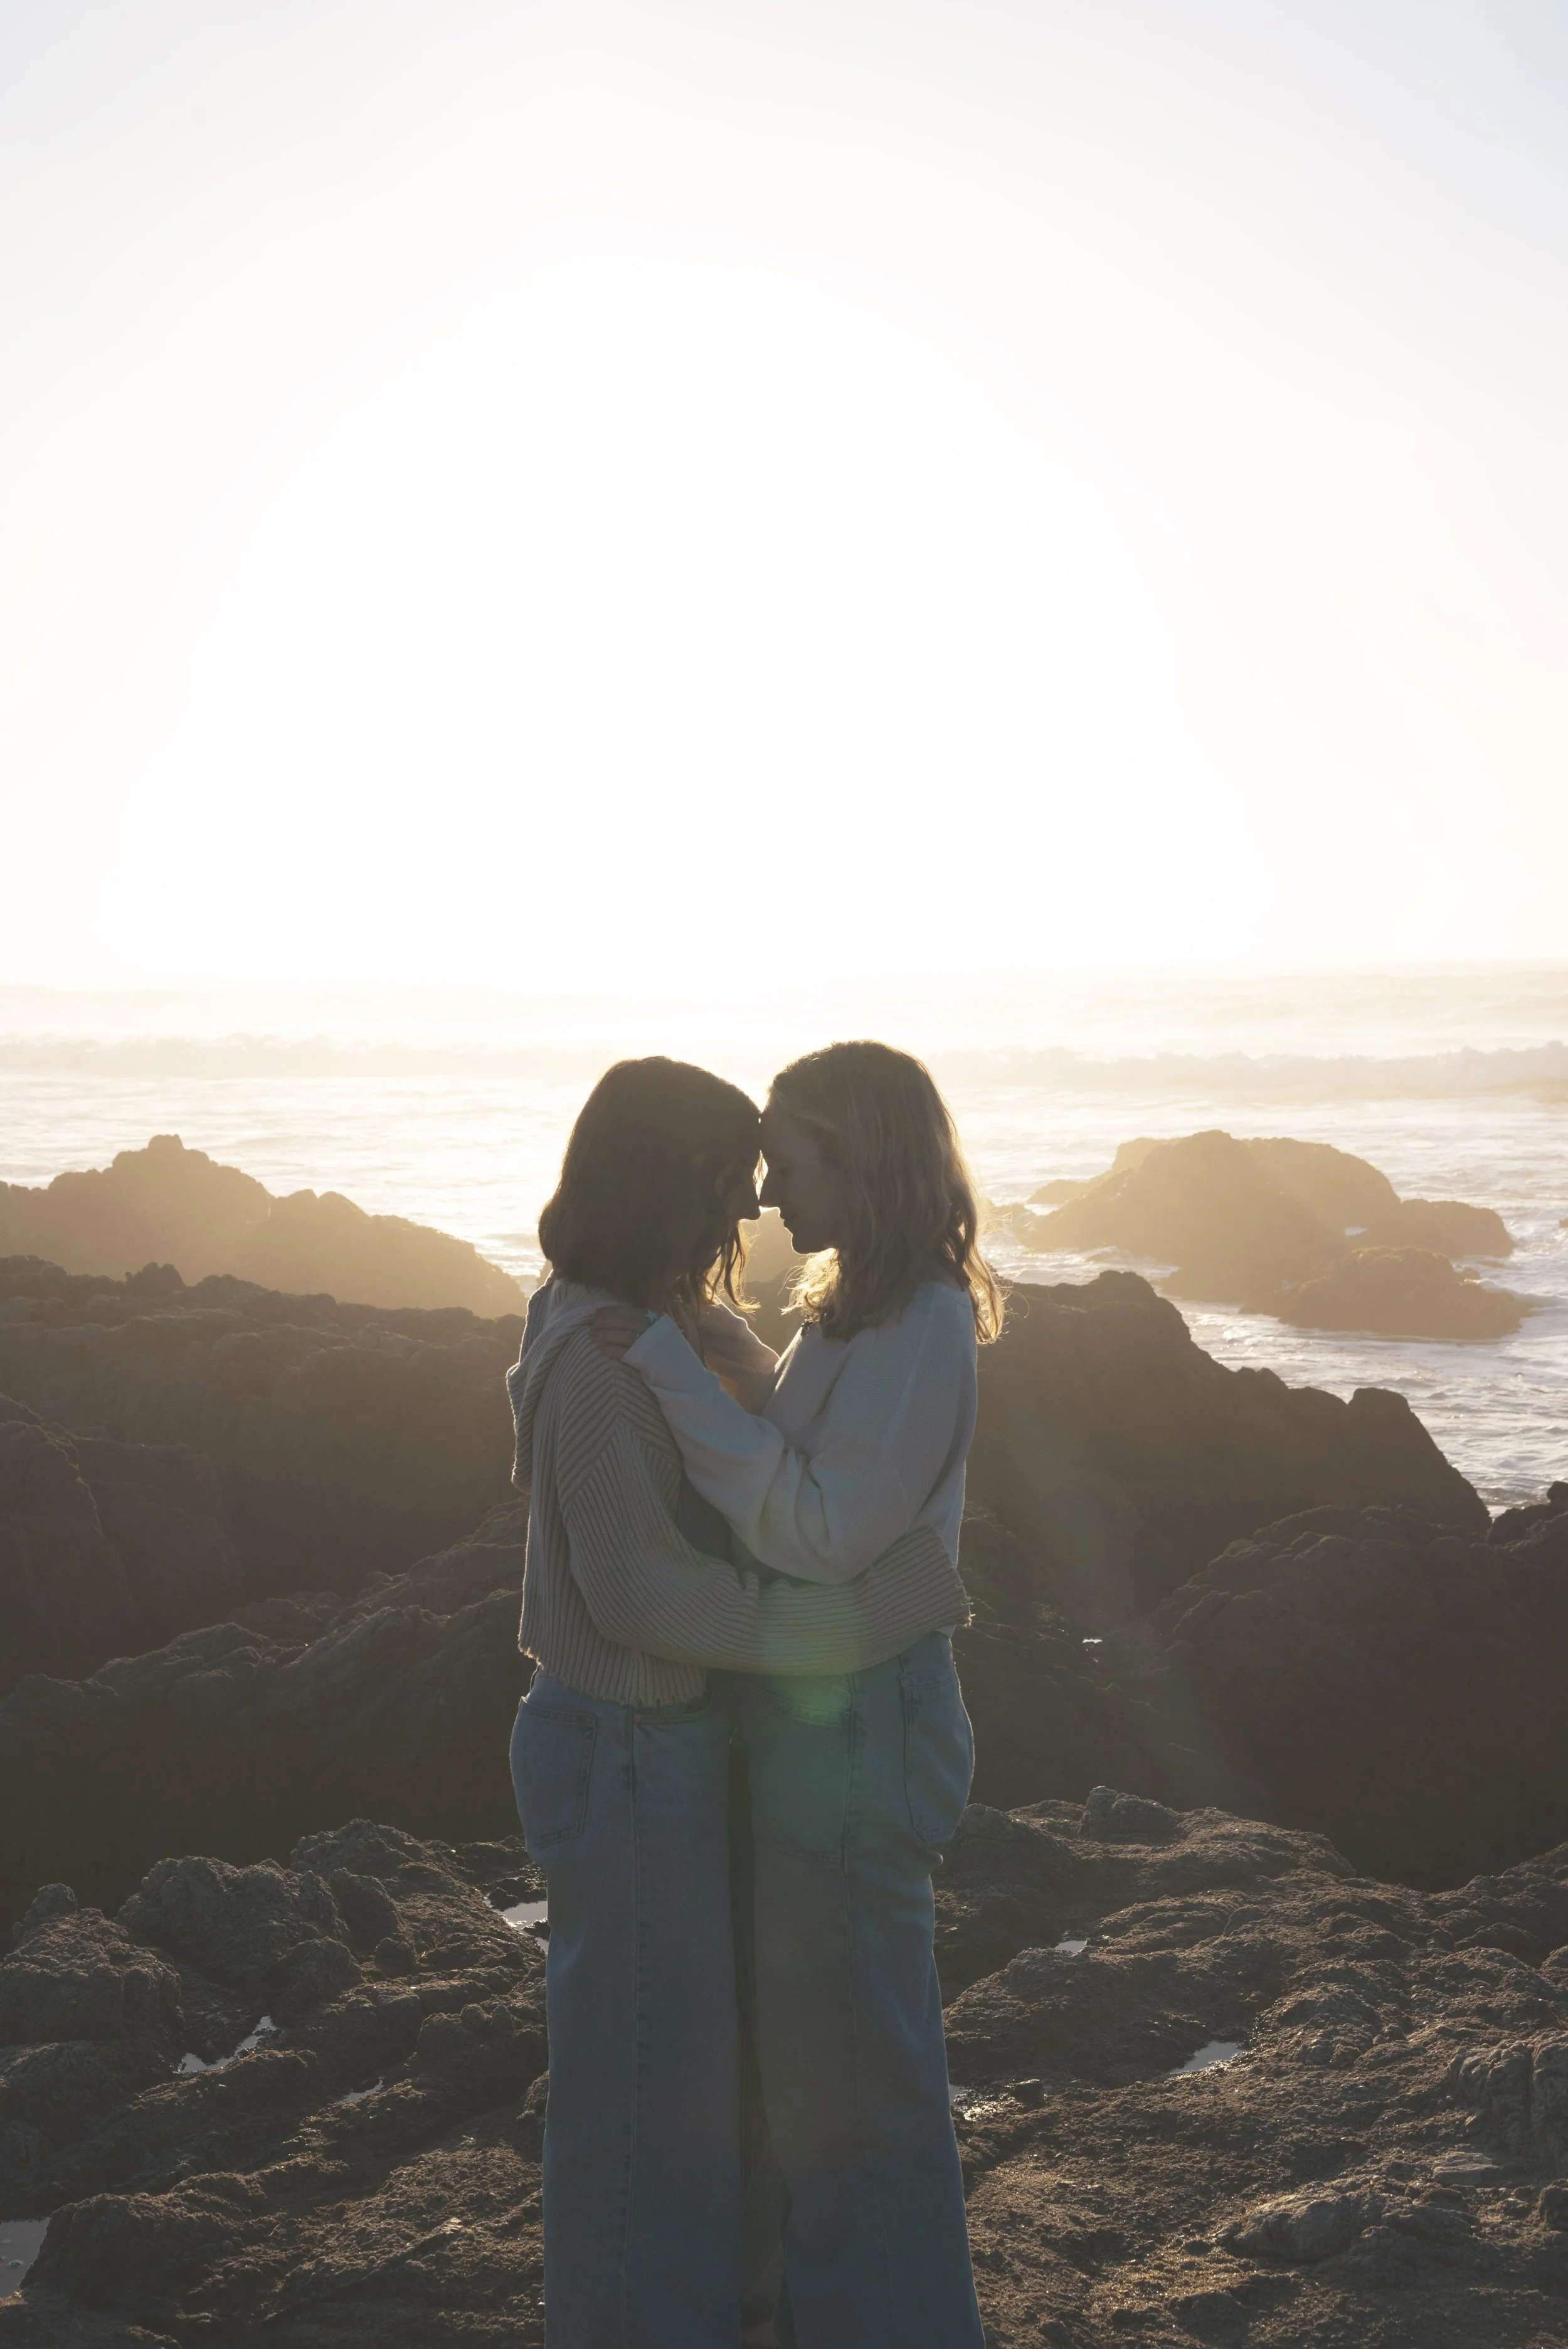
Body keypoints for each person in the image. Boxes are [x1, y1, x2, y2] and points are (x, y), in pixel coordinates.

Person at [506, 1055, 970, 2349]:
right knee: (651, 2093)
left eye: (772, 1167)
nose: (752, 1204)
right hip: (631, 1746)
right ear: (671, 1187)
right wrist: (850, 1624)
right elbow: (648, 1596)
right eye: (729, 1177)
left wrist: (695, 1345)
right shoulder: (602, 1360)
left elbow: (780, 1445)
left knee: (712, 2089)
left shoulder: (628, 1322)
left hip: (673, 1749)